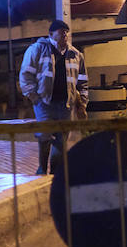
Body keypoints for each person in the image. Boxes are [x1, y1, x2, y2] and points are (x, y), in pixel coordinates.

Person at [19, 20, 88, 175]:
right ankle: (42, 170)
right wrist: (34, 97)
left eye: (66, 31)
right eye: (60, 31)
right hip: (44, 103)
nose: (64, 34)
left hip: (66, 104)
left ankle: (55, 174)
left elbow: (82, 81)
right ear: (50, 34)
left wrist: (81, 103)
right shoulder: (37, 50)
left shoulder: (76, 55)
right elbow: (25, 75)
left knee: (61, 140)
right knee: (44, 137)